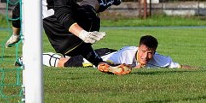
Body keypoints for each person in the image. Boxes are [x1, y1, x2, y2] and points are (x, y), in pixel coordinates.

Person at [37, 35, 187, 70]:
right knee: (64, 64)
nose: (145, 56)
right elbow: (106, 64)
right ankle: (30, 58)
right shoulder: (124, 55)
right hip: (102, 57)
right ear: (138, 48)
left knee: (69, 57)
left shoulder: (157, 58)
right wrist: (134, 69)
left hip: (109, 55)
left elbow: (178, 67)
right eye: (143, 51)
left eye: (150, 53)